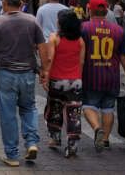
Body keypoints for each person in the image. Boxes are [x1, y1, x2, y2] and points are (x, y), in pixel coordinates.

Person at [0, 0, 49, 167]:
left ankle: (11, 155)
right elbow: (42, 47)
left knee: (8, 115)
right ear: (20, 3)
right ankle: (32, 142)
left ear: (3, 2)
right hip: (27, 74)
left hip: (6, 75)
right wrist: (45, 70)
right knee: (29, 108)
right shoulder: (32, 20)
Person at [81, 0, 125, 153]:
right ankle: (105, 140)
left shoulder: (84, 28)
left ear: (90, 11)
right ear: (106, 11)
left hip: (91, 76)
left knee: (89, 105)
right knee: (108, 108)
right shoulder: (118, 29)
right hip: (112, 77)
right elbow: (124, 56)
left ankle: (97, 128)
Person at [44, 10, 85, 159]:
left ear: (62, 23)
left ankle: (55, 138)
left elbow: (49, 58)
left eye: (58, 20)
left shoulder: (54, 37)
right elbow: (81, 63)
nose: (56, 22)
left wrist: (45, 76)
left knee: (54, 109)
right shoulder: (80, 40)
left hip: (57, 81)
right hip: (75, 81)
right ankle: (72, 148)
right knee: (74, 114)